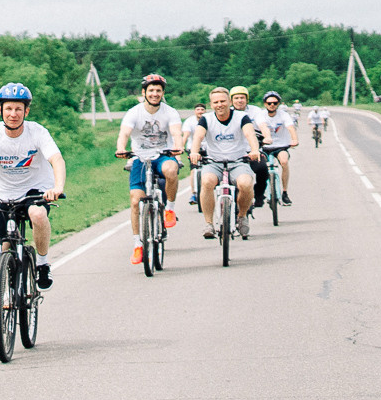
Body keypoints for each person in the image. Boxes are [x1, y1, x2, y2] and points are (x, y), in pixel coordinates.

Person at [0, 84, 68, 312]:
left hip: (35, 190)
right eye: (8, 108)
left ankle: (42, 263)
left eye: (19, 109)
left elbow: (56, 160)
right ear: (1, 110)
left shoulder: (37, 132)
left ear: (26, 112)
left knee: (37, 214)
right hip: (1, 195)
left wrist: (57, 187)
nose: (13, 114)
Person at [114, 73, 184, 265]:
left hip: (163, 155)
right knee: (135, 201)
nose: (154, 94)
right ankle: (138, 244)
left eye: (158, 91)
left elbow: (177, 133)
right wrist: (121, 148)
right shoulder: (134, 113)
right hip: (140, 157)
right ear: (144, 92)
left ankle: (169, 208)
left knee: (171, 169)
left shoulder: (170, 112)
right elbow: (124, 133)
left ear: (162, 93)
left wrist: (178, 146)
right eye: (151, 90)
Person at [189, 86, 258, 238]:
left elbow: (249, 134)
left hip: (238, 161)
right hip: (214, 162)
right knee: (206, 181)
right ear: (211, 104)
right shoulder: (206, 119)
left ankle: (242, 216)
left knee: (246, 184)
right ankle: (209, 224)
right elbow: (198, 137)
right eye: (216, 102)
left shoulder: (241, 117)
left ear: (229, 102)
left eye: (222, 101)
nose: (219, 105)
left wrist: (254, 149)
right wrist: (194, 152)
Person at [254, 90, 297, 206]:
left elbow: (290, 127)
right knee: (260, 168)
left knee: (284, 161)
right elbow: (263, 127)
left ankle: (284, 192)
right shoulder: (260, 115)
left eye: (275, 102)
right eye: (269, 103)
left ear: (278, 104)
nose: (272, 105)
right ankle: (260, 193)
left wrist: (294, 139)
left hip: (281, 146)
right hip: (265, 146)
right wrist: (267, 138)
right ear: (265, 104)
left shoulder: (284, 115)